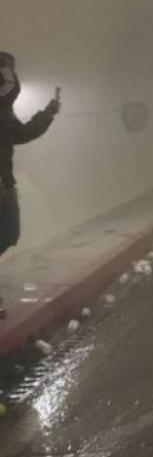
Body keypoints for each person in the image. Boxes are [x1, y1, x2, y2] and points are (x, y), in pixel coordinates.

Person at [0, 52, 60, 318]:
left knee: (10, 233)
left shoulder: (3, 113)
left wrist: (47, 114)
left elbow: (21, 133)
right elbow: (12, 87)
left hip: (4, 181)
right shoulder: (5, 95)